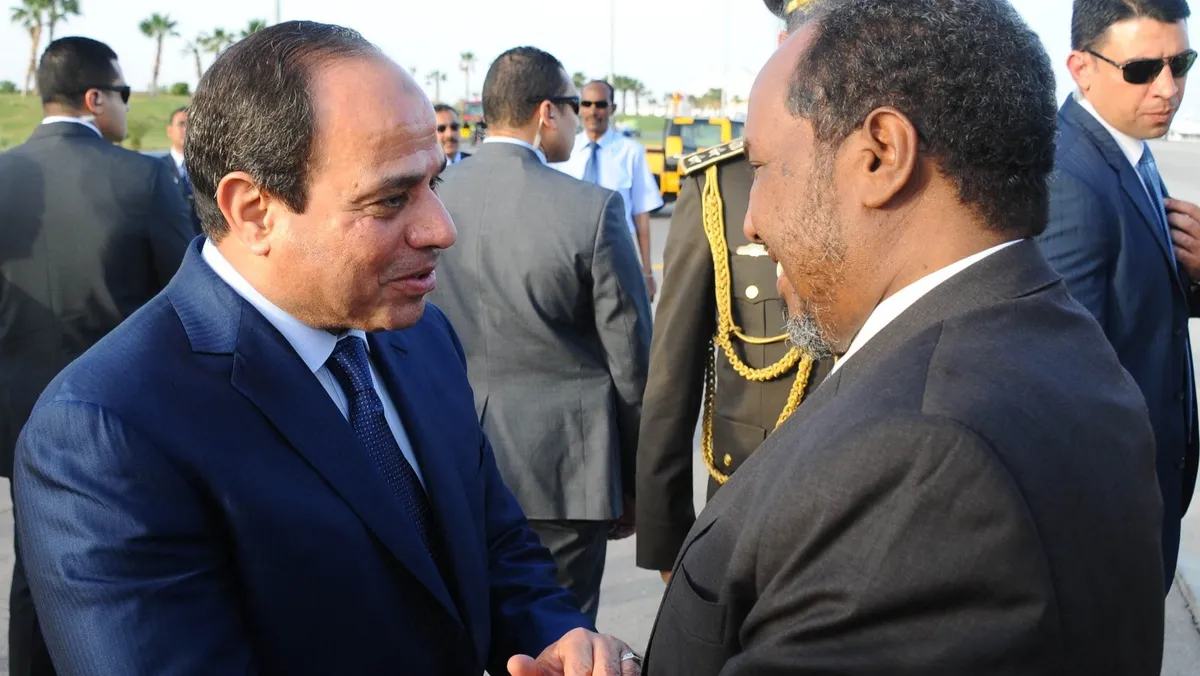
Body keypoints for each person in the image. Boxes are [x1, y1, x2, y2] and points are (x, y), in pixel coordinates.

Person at [13, 22, 642, 676]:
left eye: (434, 184)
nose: (440, 229)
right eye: (391, 199)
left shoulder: (423, 337)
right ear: (253, 211)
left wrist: (561, 638)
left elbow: (494, 544)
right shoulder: (104, 433)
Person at [642, 1, 1165, 673]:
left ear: (882, 155)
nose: (751, 219)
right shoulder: (1049, 336)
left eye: (763, 166)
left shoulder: (920, 458)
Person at [428, 46, 652, 625]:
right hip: (565, 475)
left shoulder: (431, 197)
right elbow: (632, 365)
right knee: (562, 642)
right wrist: (633, 481)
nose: (581, 120)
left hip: (453, 460)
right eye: (577, 106)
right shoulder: (593, 209)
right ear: (547, 112)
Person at [0, 36, 193, 676]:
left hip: (18, 407)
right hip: (128, 413)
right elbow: (186, 295)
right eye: (123, 93)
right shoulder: (142, 177)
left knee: (34, 567)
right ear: (95, 98)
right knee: (136, 570)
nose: (127, 107)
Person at [635, 0, 834, 582]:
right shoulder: (721, 188)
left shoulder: (906, 174)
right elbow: (671, 374)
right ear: (784, 47)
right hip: (745, 498)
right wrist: (668, 536)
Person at [1035, 0, 1198, 589]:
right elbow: (1065, 386)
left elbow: (1144, 299)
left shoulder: (1129, 147)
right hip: (1110, 518)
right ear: (1081, 69)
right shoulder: (1069, 179)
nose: (1169, 88)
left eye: (1181, 63)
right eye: (1142, 70)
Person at [550, 80, 661, 299]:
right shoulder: (564, 151)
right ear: (579, 107)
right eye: (587, 104)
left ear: (612, 109)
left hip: (616, 254)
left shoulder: (631, 152)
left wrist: (647, 272)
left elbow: (641, 215)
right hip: (571, 255)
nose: (593, 111)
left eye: (600, 104)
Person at [163, 106, 203, 234]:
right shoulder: (159, 168)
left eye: (191, 125)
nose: (186, 129)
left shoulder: (206, 168)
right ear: (169, 130)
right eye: (181, 124)